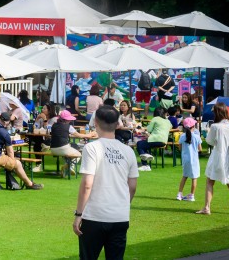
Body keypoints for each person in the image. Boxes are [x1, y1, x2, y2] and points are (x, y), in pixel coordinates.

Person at [73, 105, 139, 260]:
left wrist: (78, 214)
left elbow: (87, 184)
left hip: (94, 216)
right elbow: (133, 186)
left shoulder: (92, 148)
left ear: (95, 122)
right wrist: (123, 204)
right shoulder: (128, 151)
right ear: (118, 123)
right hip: (119, 216)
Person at [196, 102, 229, 215]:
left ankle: (207, 207)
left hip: (218, 155)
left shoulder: (215, 126)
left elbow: (210, 141)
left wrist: (208, 133)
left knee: (210, 181)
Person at [0, 112, 43, 190]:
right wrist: (12, 163)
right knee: (17, 163)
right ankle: (29, 184)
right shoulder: (4, 133)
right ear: (8, 121)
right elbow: (10, 151)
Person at [50, 110, 89, 177]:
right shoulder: (69, 127)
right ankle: (69, 167)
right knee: (79, 154)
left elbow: (58, 134)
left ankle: (66, 170)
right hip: (63, 148)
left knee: (70, 150)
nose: (70, 121)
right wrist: (90, 135)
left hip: (53, 149)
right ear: (66, 120)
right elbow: (79, 136)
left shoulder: (54, 125)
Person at [137, 107, 170, 171]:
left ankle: (145, 164)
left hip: (154, 140)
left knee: (139, 144)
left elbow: (149, 129)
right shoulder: (168, 121)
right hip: (164, 142)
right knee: (144, 145)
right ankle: (147, 154)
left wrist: (143, 129)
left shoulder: (155, 119)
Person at [176, 117, 201, 201]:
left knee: (184, 176)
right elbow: (200, 149)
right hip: (194, 160)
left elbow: (180, 148)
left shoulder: (182, 136)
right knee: (194, 178)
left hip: (185, 160)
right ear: (193, 126)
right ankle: (192, 195)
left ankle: (179, 194)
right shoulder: (197, 137)